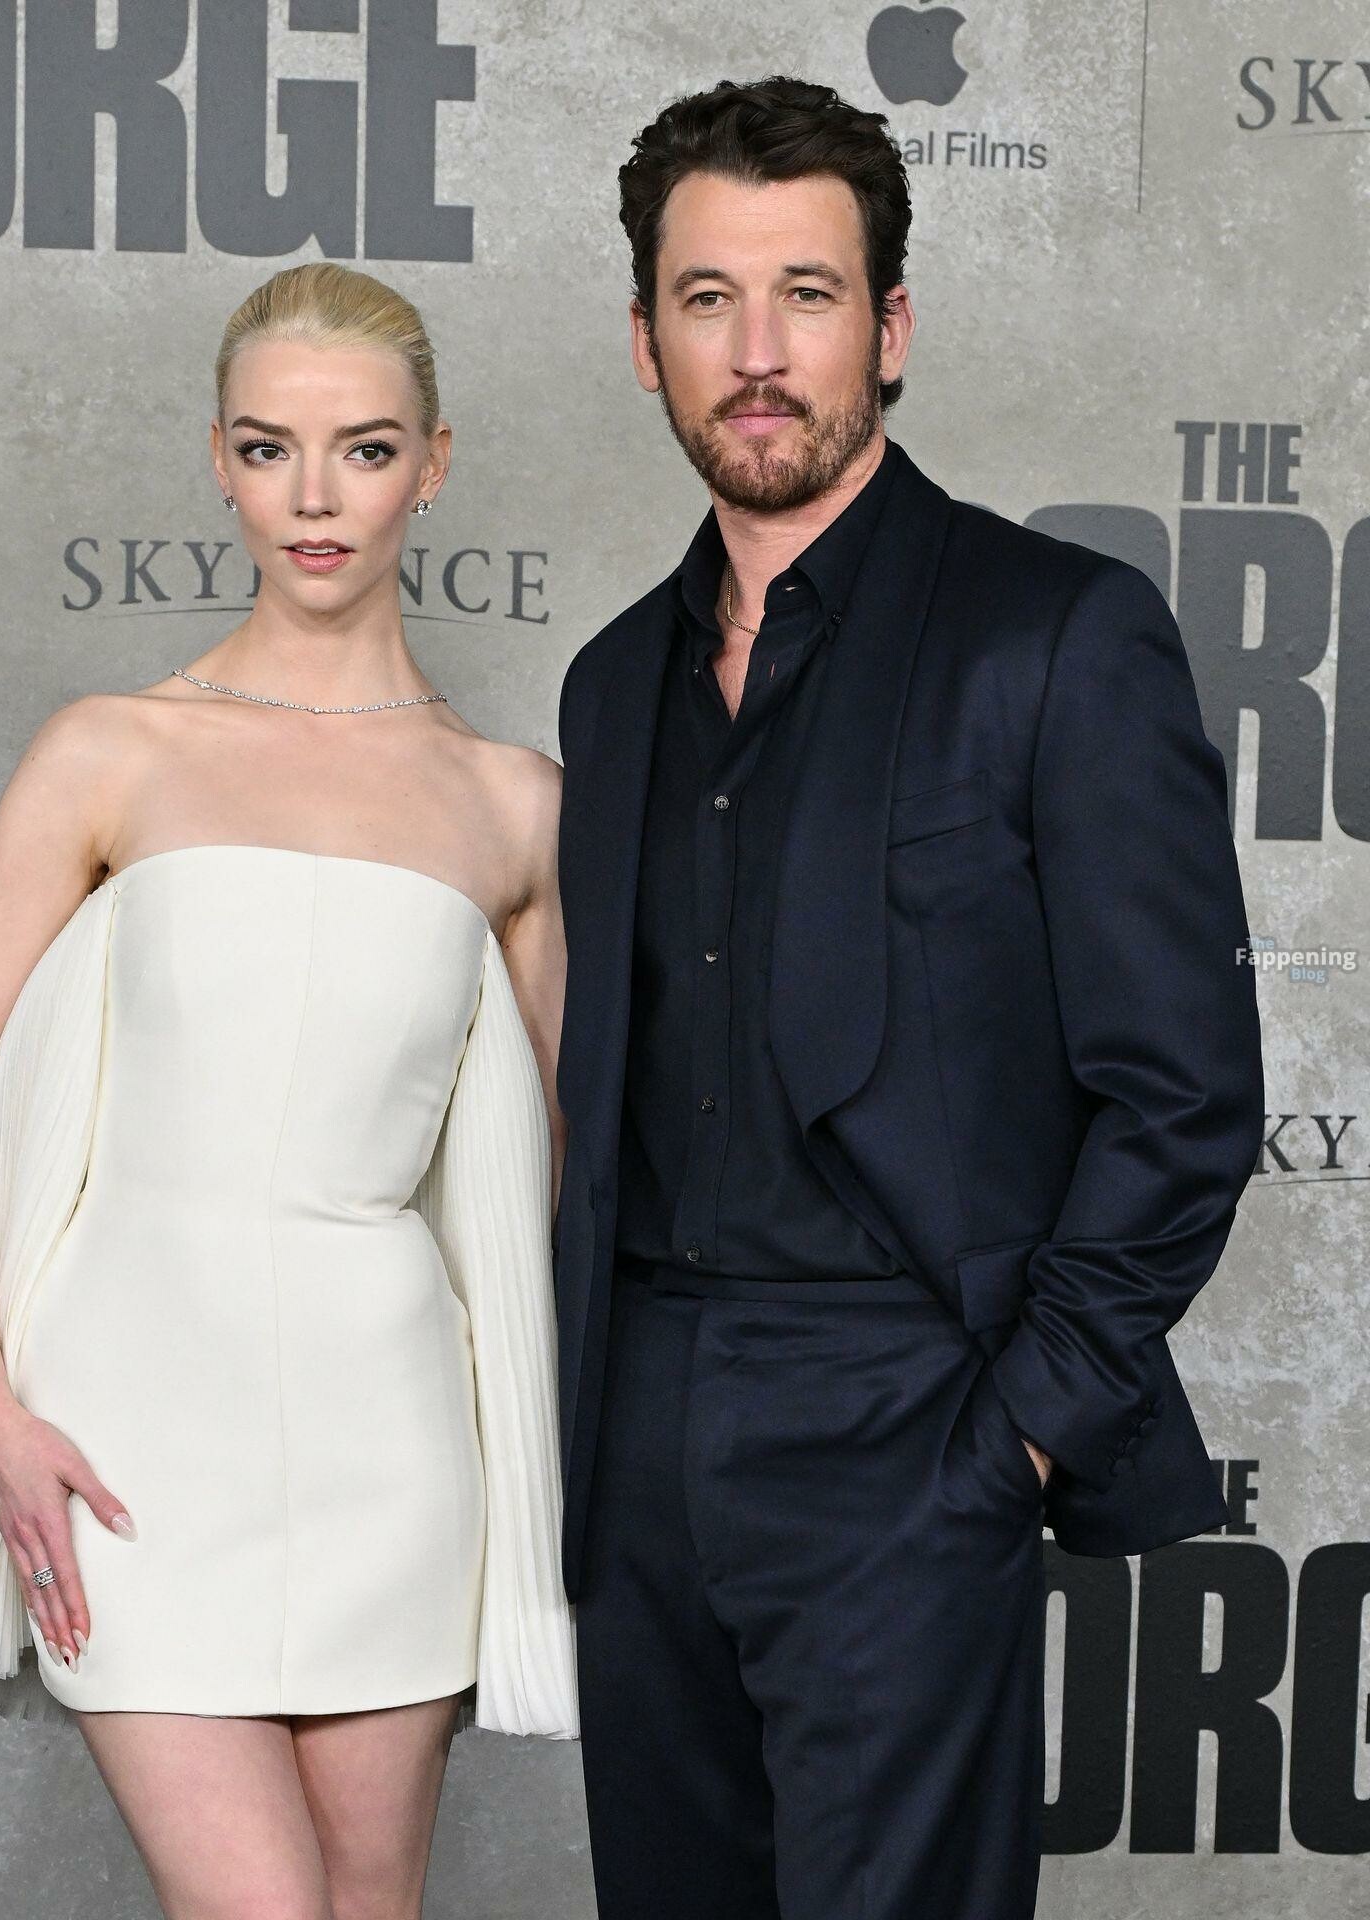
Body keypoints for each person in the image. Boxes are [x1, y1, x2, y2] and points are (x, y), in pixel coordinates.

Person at [550, 75, 1265, 1920]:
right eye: (708, 299)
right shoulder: (611, 685)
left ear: (892, 328)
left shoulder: (1058, 633)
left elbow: (1185, 1093)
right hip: (638, 1442)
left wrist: (1016, 1432)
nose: (757, 352)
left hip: (910, 1425)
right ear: (643, 342)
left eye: (808, 293)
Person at [0, 260, 578, 1920]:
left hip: (397, 1447)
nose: (314, 499)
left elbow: (552, 1177)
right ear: (220, 461)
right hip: (129, 1442)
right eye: (269, 449)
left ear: (434, 465)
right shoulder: (110, 752)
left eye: (364, 450)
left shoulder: (514, 806)